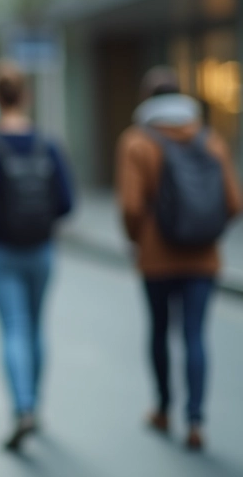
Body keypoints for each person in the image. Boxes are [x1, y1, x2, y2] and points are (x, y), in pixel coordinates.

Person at [116, 66, 241, 452]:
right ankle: (196, 420)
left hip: (156, 257)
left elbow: (132, 206)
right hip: (202, 258)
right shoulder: (209, 139)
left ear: (145, 100)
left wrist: (141, 239)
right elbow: (234, 202)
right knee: (195, 336)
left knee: (159, 331)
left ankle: (164, 408)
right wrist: (207, 231)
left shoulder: (137, 141)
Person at [0, 61, 74, 452]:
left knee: (13, 328)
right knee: (37, 328)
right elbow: (66, 203)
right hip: (41, 250)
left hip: (2, 250)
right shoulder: (49, 145)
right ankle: (36, 406)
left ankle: (21, 406)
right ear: (26, 96)